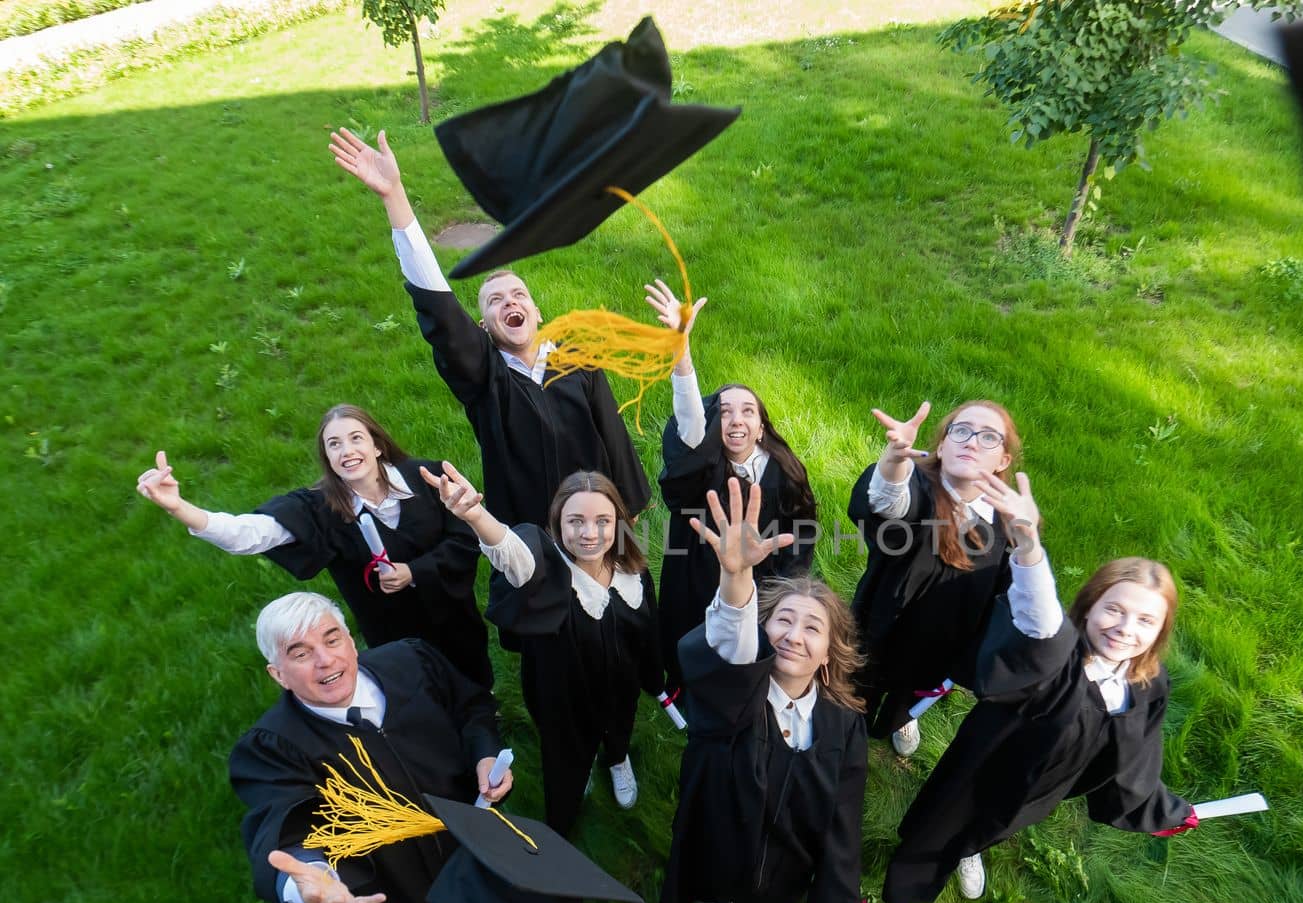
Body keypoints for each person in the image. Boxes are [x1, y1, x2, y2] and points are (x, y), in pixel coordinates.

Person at [882, 473, 1197, 903]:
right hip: (985, 764)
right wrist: (1028, 545)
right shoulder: (1055, 655)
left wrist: (1163, 810)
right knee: (940, 824)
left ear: (1162, 630)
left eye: (1146, 621)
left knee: (997, 825)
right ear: (1088, 608)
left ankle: (971, 849)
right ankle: (912, 875)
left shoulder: (1147, 684)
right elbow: (1039, 608)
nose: (1125, 629)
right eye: (1114, 610)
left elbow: (1134, 763)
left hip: (1043, 788)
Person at [329, 127, 652, 529]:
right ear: (483, 327)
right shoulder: (485, 379)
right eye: (495, 300)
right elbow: (440, 308)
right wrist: (394, 196)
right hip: (530, 527)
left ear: (536, 314)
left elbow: (611, 429)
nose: (510, 302)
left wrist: (631, 502)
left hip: (596, 518)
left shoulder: (576, 362)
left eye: (518, 295)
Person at [646, 478, 868, 903]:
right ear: (763, 632)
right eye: (782, 621)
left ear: (830, 653)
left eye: (812, 628)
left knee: (774, 895)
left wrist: (840, 883)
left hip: (788, 854)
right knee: (718, 894)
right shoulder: (733, 696)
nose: (793, 634)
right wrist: (737, 579)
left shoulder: (842, 724)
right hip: (719, 833)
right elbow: (731, 640)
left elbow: (845, 807)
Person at [229, 591, 513, 903]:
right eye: (300, 653)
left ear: (350, 638)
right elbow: (284, 827)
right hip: (398, 875)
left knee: (492, 890)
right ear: (278, 674)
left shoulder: (413, 661)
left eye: (331, 639)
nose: (326, 660)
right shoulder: (275, 748)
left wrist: (485, 753)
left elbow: (471, 709)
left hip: (468, 824)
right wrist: (308, 880)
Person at [135, 404, 493, 689]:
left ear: (377, 445)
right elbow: (249, 533)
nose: (347, 451)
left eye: (356, 438)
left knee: (471, 675)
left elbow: (466, 538)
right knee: (417, 690)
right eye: (334, 444)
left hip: (453, 614)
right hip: (390, 629)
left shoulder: (425, 477)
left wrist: (414, 572)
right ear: (326, 456)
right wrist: (180, 508)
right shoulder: (319, 507)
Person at [421, 462, 663, 835]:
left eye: (602, 521)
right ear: (556, 523)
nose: (589, 533)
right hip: (561, 694)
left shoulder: (633, 572)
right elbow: (510, 551)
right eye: (575, 521)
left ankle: (617, 759)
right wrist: (476, 516)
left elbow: (647, 630)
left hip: (620, 683)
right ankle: (573, 783)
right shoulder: (544, 571)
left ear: (618, 523)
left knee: (619, 724)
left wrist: (652, 673)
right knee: (565, 753)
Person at [649, 279, 817, 692]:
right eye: (724, 412)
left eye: (747, 411)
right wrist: (681, 355)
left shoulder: (786, 473)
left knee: (748, 657)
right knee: (692, 645)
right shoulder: (701, 469)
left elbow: (801, 535)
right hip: (696, 575)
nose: (736, 419)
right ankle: (686, 689)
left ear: (761, 428)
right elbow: (690, 423)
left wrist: (786, 587)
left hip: (762, 584)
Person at [847, 400, 1021, 756]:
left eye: (989, 437)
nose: (972, 442)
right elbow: (890, 506)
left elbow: (1005, 593)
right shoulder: (919, 487)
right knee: (859, 682)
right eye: (961, 431)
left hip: (943, 639)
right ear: (942, 445)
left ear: (1003, 460)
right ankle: (848, 728)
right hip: (882, 620)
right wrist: (895, 460)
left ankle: (903, 716)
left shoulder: (1005, 522)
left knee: (914, 689)